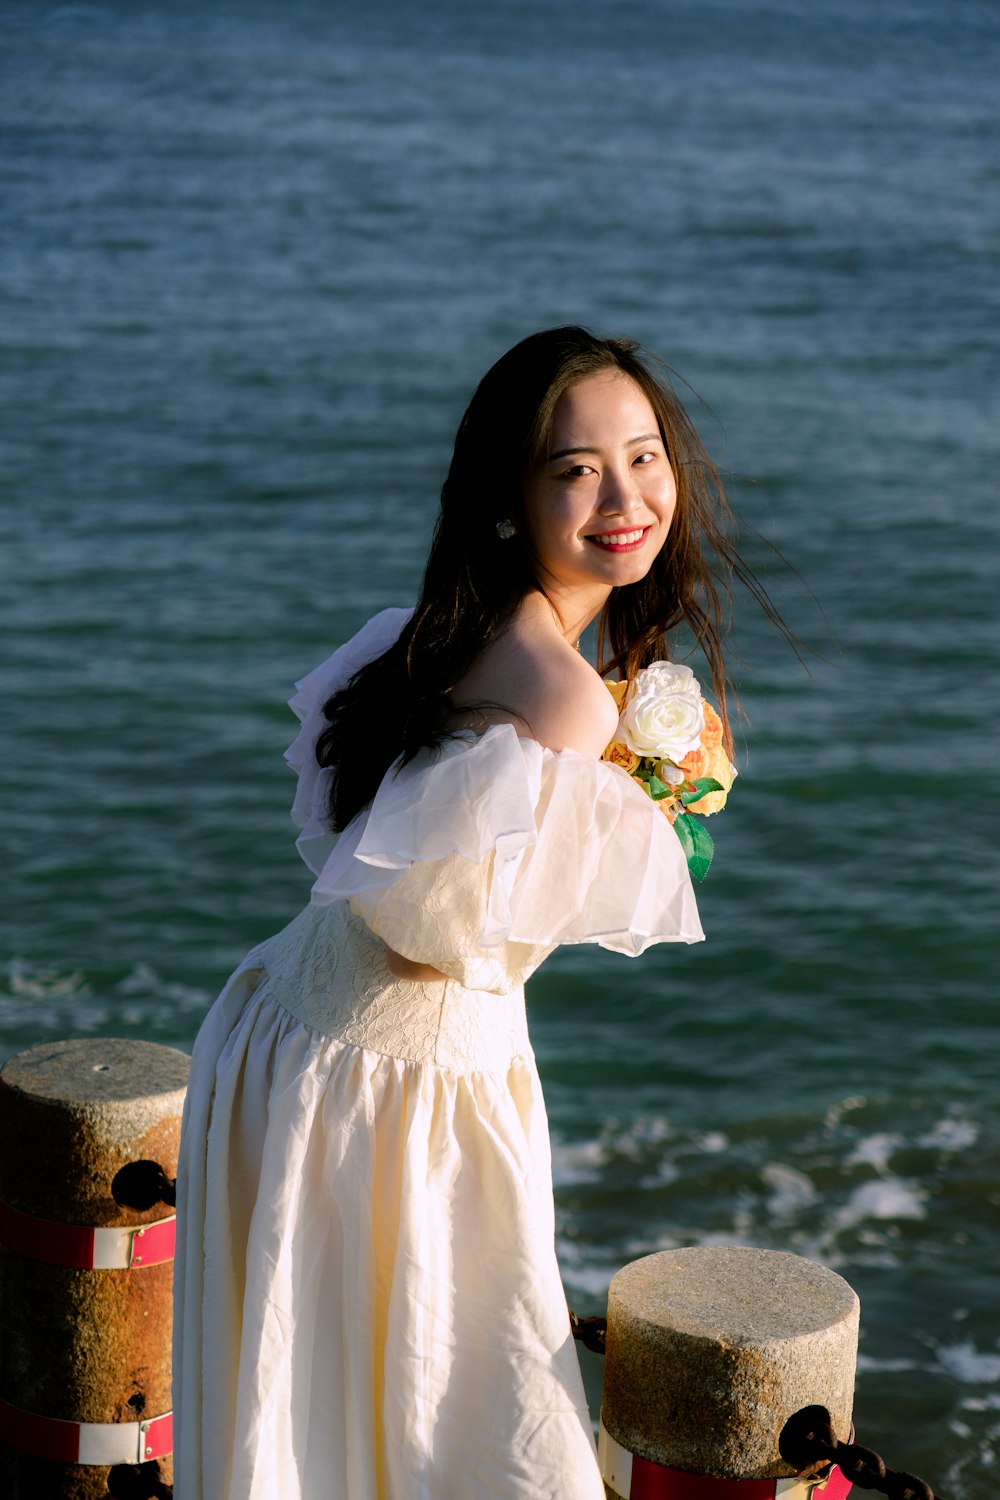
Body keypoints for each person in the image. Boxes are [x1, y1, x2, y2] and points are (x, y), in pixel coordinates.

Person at [173, 326, 749, 1499]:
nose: (623, 496)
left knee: (313, 1426)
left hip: (286, 1030)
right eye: (574, 470)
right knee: (475, 1435)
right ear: (508, 497)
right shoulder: (568, 698)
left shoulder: (444, 622)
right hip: (398, 1097)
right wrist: (632, 789)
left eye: (642, 457)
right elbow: (453, 935)